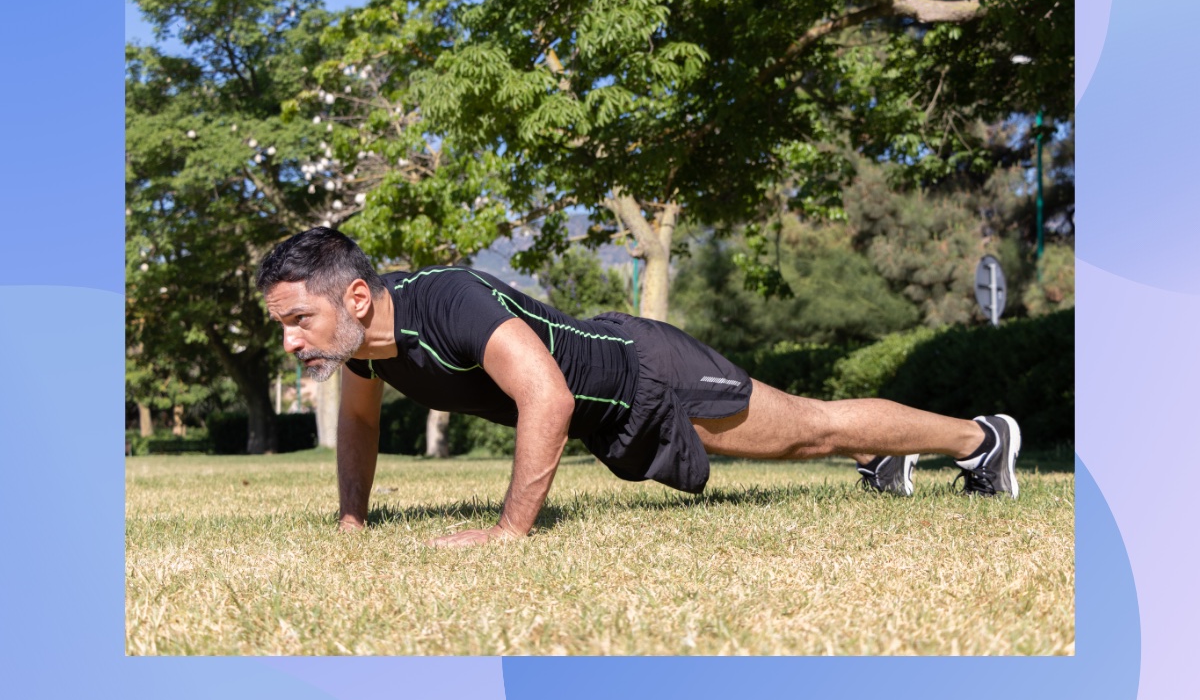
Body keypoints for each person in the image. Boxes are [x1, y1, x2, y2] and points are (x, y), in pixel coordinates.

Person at [256, 228, 1021, 547]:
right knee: (802, 440)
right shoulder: (365, 350)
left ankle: (982, 439)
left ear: (355, 296)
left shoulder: (447, 300)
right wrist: (352, 520)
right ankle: (881, 462)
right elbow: (358, 427)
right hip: (615, 415)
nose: (291, 341)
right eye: (284, 325)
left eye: (299, 319)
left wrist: (509, 531)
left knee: (811, 427)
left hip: (649, 373)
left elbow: (547, 398)